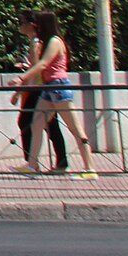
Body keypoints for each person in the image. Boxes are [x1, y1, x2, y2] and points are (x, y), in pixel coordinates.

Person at [23, 10, 96, 180]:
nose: (36, 28)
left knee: (75, 129)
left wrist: (22, 78)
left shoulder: (55, 42)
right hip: (50, 88)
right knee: (36, 124)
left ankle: (90, 168)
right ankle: (32, 165)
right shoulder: (48, 41)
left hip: (58, 87)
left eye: (38, 25)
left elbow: (43, 64)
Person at [10, 10, 67, 173]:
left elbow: (37, 69)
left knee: (26, 122)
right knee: (50, 125)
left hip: (38, 89)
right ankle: (59, 162)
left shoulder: (36, 43)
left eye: (21, 22)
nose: (19, 26)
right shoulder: (38, 42)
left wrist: (18, 91)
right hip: (42, 87)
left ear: (31, 25)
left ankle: (31, 163)